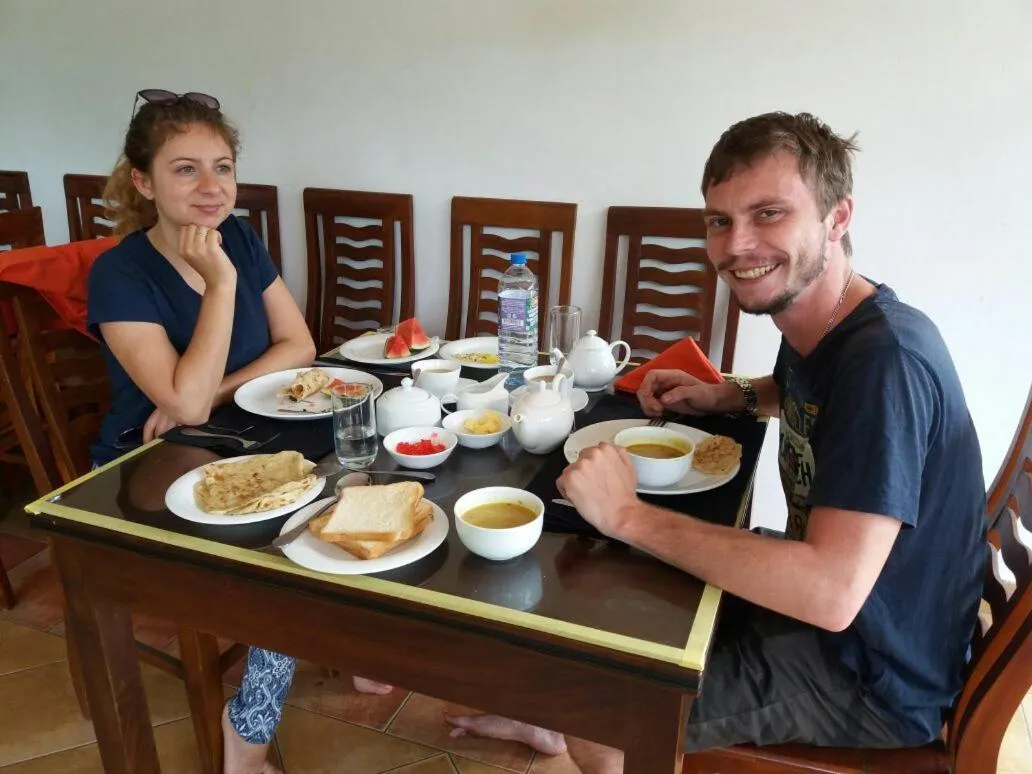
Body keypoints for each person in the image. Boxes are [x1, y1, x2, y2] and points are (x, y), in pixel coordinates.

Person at [444, 112, 987, 773]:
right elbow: (798, 390)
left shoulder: (885, 365)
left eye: (768, 214)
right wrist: (731, 395)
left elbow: (830, 592)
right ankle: (548, 715)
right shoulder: (835, 323)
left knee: (604, 702)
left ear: (837, 218)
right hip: (866, 626)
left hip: (870, 671)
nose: (738, 245)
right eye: (720, 221)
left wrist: (627, 514)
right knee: (610, 588)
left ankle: (575, 726)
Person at [87, 91, 316, 774]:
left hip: (235, 439)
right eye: (185, 169)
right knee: (294, 561)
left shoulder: (239, 237)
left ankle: (356, 647)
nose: (211, 187)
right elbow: (179, 411)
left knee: (363, 482)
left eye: (222, 166)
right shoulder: (120, 273)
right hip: (148, 470)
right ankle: (244, 739)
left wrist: (210, 392)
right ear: (142, 180)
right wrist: (218, 285)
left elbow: (298, 345)